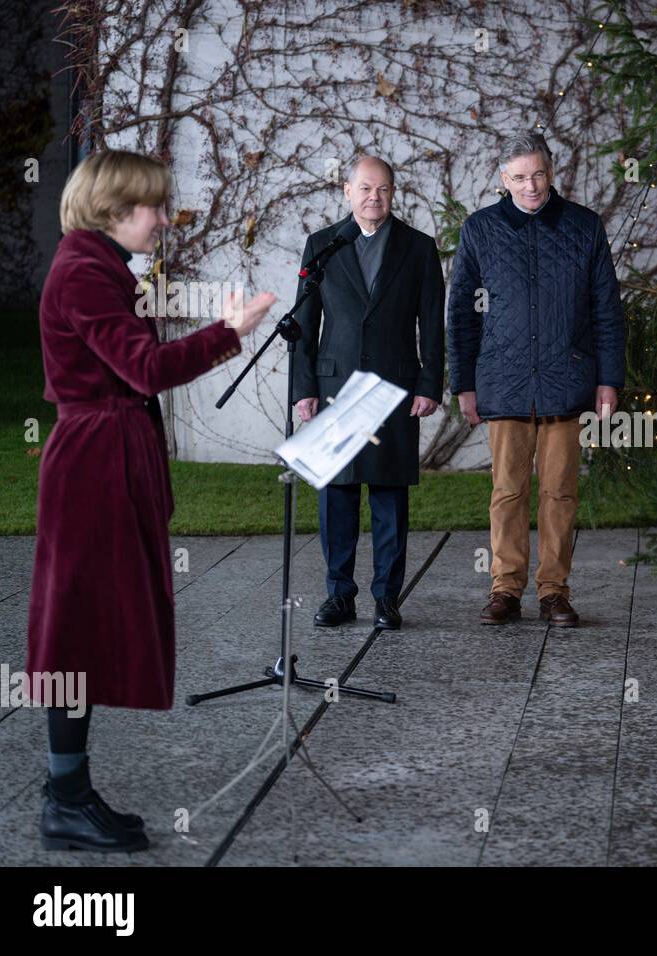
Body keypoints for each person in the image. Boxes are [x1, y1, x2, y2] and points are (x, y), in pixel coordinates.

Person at [29, 149, 275, 851]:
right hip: (92, 465)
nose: (164, 220)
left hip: (104, 457)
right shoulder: (83, 272)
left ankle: (68, 792)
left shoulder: (98, 267)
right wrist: (230, 334)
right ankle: (65, 798)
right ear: (114, 210)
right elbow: (143, 368)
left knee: (82, 625)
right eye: (154, 207)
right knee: (73, 629)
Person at [446, 131, 625, 627]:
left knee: (561, 493)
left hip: (566, 380)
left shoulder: (584, 227)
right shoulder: (480, 229)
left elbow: (607, 309)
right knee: (507, 492)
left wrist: (608, 381)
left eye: (538, 174)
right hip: (502, 383)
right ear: (504, 179)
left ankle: (554, 592)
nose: (531, 185)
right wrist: (463, 382)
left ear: (551, 172)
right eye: (520, 177)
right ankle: (505, 589)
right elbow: (461, 312)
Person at [292, 155, 447, 631]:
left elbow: (432, 323)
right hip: (335, 386)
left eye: (382, 189)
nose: (373, 197)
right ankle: (339, 596)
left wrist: (429, 384)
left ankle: (386, 598)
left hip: (394, 387)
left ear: (392, 192)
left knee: (388, 497)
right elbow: (303, 323)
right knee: (336, 496)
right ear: (347, 191)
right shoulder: (322, 245)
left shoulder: (419, 248)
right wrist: (304, 390)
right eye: (364, 189)